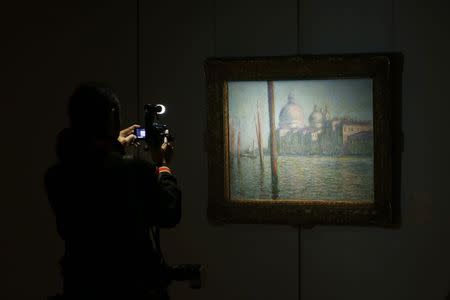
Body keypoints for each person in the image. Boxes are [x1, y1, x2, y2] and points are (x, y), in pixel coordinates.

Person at [45, 83, 181, 299]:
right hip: (133, 289)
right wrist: (163, 165)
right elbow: (169, 212)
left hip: (81, 287)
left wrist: (112, 147)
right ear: (112, 115)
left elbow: (92, 171)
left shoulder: (57, 176)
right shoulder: (134, 170)